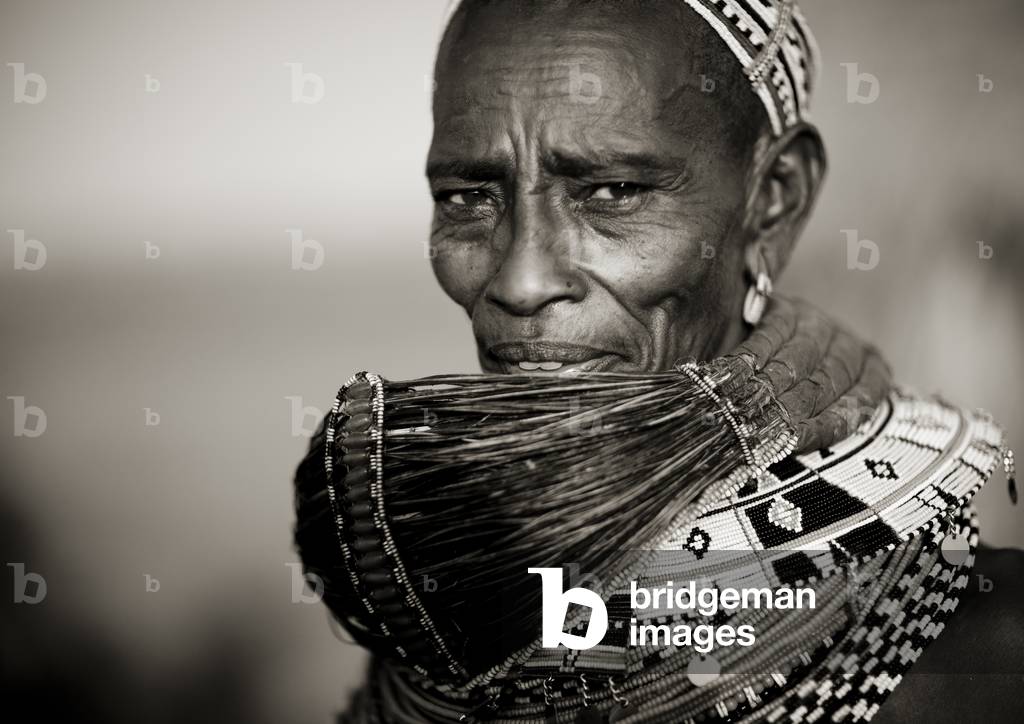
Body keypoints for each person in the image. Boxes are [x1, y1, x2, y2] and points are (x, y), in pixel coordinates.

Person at [295, 1, 1023, 721]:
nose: (520, 282)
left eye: (613, 192)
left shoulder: (987, 659)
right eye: (468, 197)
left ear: (773, 200)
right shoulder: (455, 617)